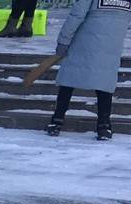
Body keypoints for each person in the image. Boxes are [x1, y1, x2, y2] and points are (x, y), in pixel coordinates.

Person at [46, 0, 129, 140]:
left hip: (84, 41)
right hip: (112, 45)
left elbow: (77, 15)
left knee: (69, 78)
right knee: (105, 81)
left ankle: (57, 121)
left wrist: (63, 40)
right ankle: (104, 126)